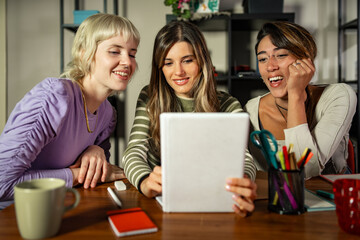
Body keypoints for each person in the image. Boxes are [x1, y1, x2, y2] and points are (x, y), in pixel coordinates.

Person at [0, 13, 140, 203]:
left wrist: (95, 149)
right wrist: (76, 175)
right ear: (85, 54)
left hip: (62, 207)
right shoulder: (53, 98)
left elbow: (97, 173)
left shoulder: (108, 114)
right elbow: (2, 184)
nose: (128, 62)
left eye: (132, 53)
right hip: (16, 216)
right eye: (115, 51)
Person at [122, 20, 257, 217]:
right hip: (159, 199)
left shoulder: (228, 104)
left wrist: (242, 180)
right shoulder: (150, 96)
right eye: (168, 63)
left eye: (187, 60)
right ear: (160, 67)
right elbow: (134, 151)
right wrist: (144, 181)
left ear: (201, 60)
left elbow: (243, 157)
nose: (178, 72)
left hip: (212, 196)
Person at [245, 21, 357, 178]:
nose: (270, 66)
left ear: (306, 59)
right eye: (262, 59)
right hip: (277, 197)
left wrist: (295, 95)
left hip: (330, 194)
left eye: (281, 55)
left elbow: (305, 170)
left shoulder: (339, 96)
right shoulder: (250, 110)